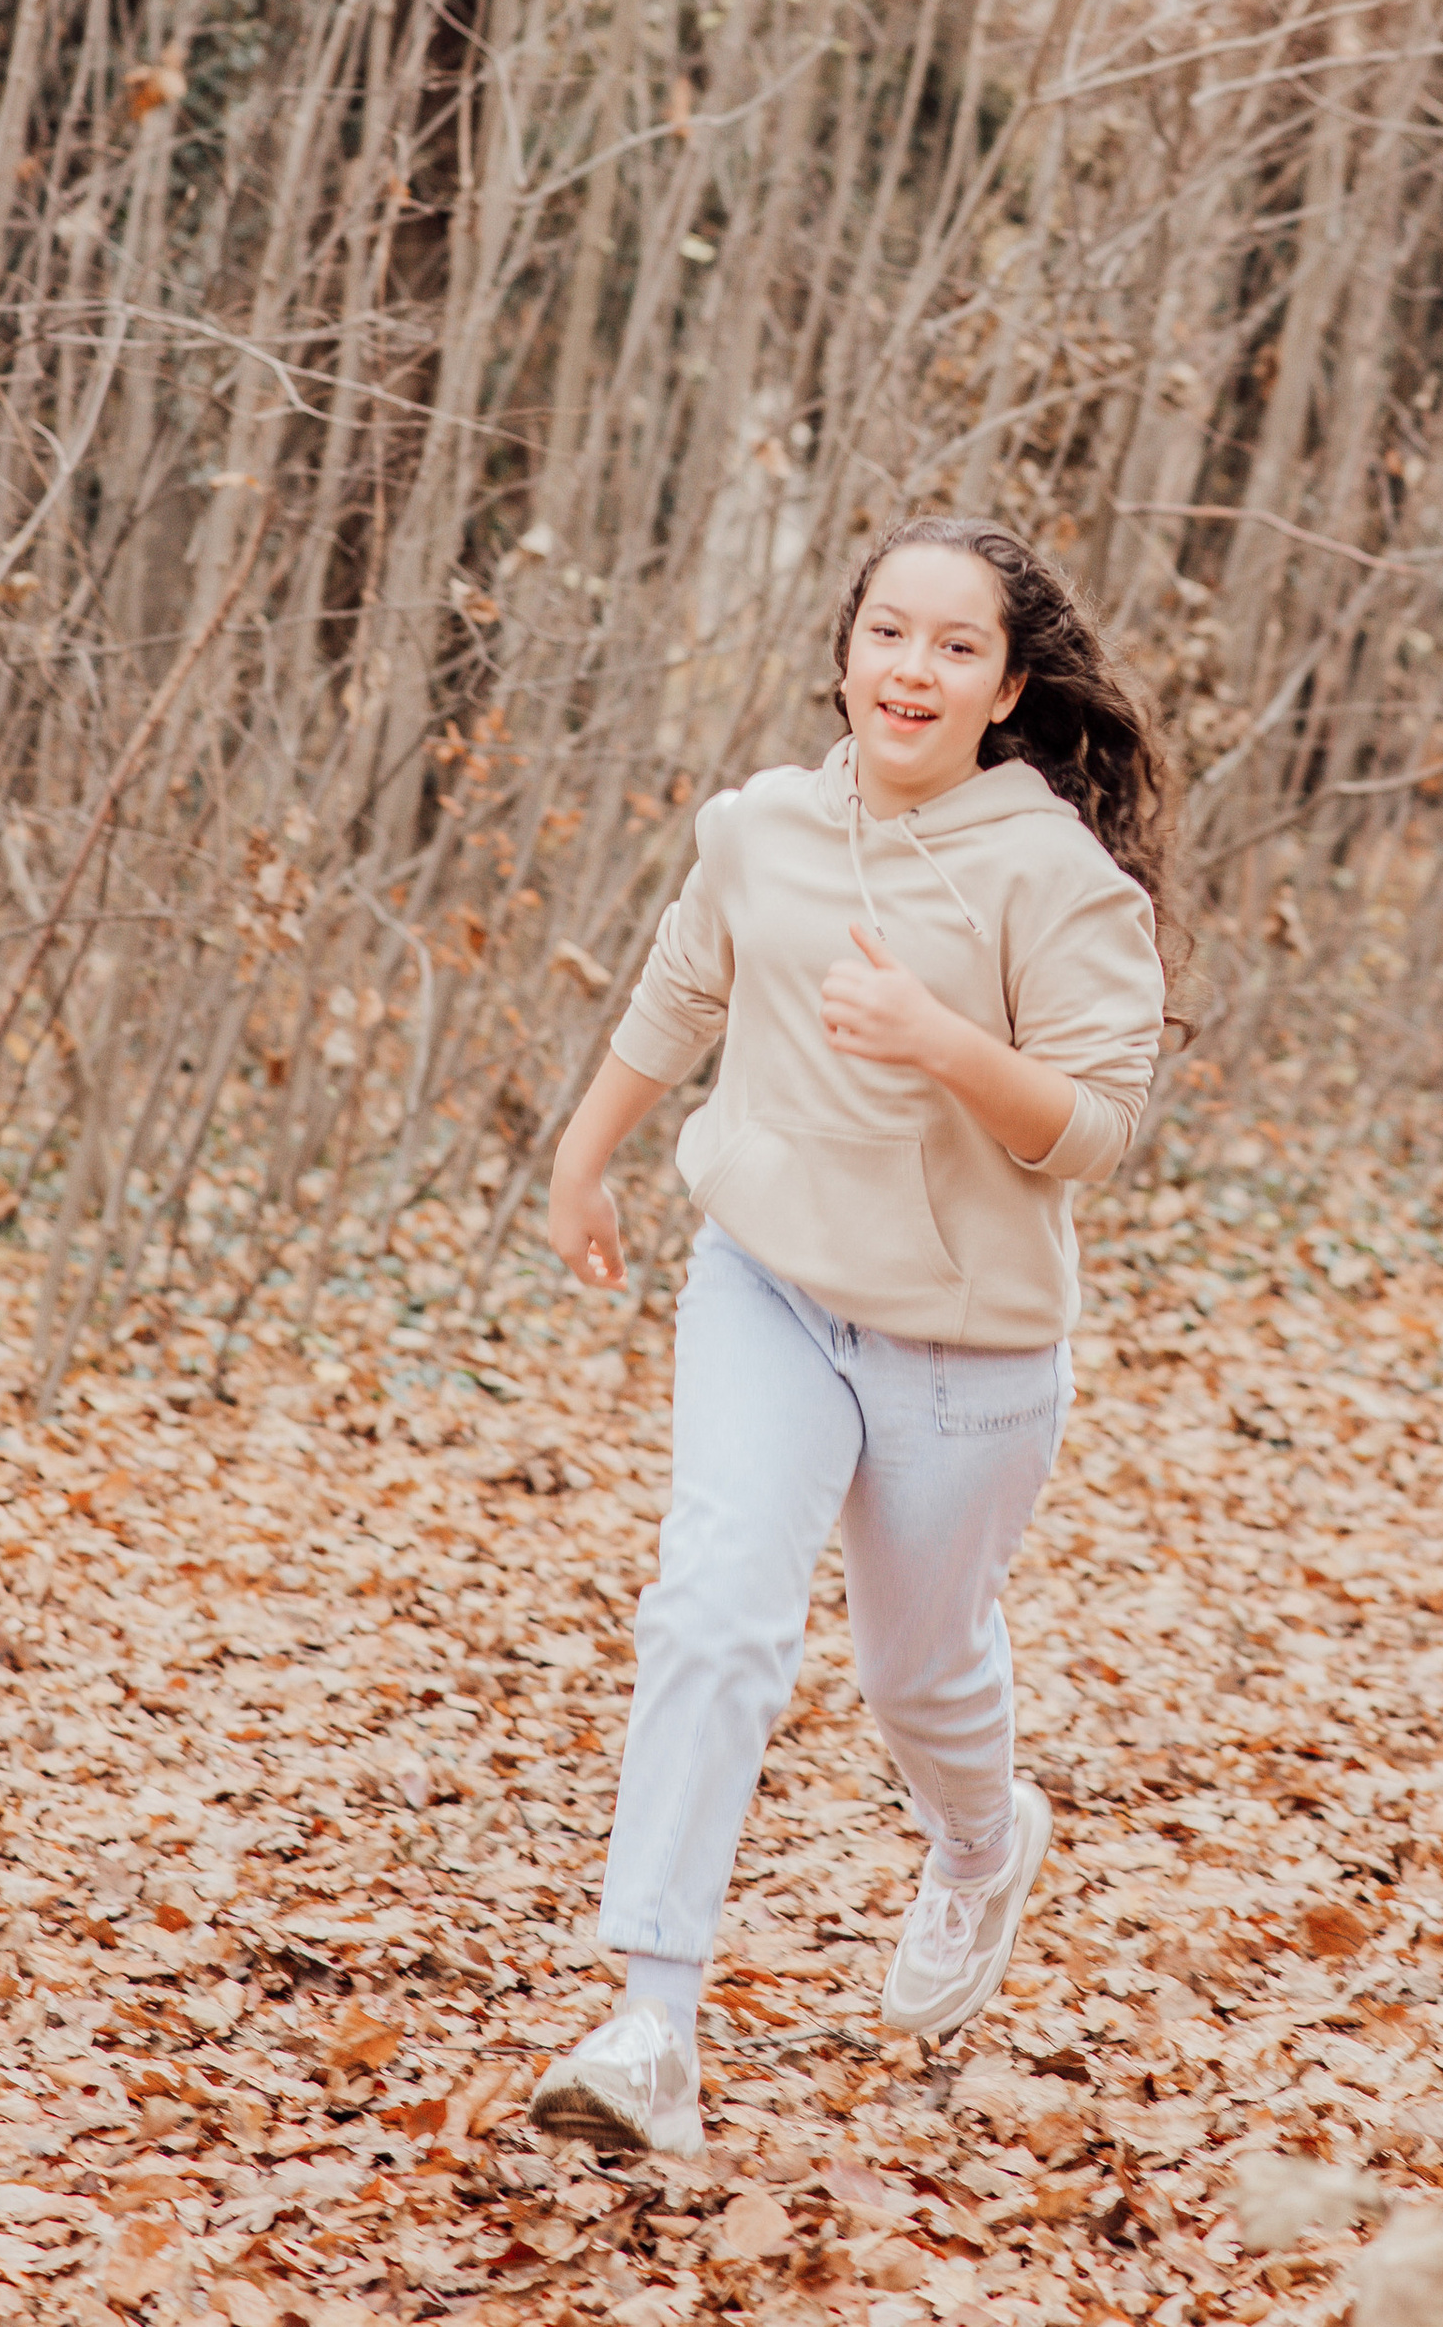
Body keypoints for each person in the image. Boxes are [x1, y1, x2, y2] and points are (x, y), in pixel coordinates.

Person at [529, 513, 1172, 2159]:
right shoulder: (760, 828)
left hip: (969, 1344)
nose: (914, 668)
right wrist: (584, 1155)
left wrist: (942, 1038)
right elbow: (684, 986)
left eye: (957, 646)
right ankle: (650, 2023)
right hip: (768, 1283)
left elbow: (1097, 1128)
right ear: (845, 652)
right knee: (713, 1602)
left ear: (1006, 687)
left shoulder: (1057, 877)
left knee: (915, 1672)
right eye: (890, 631)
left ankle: (980, 1843)